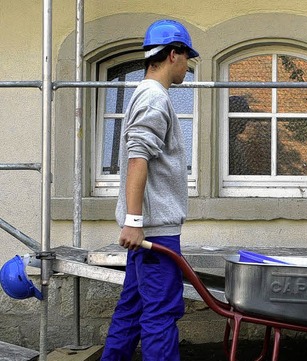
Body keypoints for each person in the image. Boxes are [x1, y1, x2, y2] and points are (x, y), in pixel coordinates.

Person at [101, 19, 199, 361]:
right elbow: (137, 158)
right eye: (188, 58)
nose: (188, 66)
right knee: (161, 315)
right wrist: (133, 219)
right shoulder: (154, 98)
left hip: (147, 231)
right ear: (174, 54)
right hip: (154, 235)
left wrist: (135, 221)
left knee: (131, 311)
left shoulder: (146, 95)